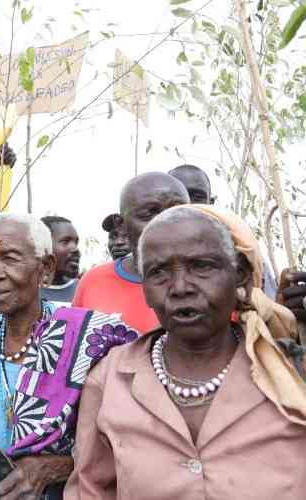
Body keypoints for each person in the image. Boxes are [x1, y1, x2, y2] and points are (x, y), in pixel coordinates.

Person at [65, 205, 306, 499]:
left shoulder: (291, 371)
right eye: (158, 272)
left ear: (240, 275)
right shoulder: (109, 381)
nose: (180, 287)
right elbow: (91, 491)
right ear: (144, 288)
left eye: (202, 266)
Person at [0, 214, 138, 500]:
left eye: (10, 258)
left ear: (45, 268)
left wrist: (55, 467)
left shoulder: (83, 339)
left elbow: (123, 445)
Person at [72, 172, 190, 333]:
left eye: (178, 212)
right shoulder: (93, 281)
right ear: (122, 225)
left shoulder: (214, 281)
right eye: (149, 214)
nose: (166, 223)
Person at [168, 163, 279, 298]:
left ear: (211, 202)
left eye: (197, 197)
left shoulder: (245, 254)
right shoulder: (148, 257)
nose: (188, 204)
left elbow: (271, 311)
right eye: (178, 199)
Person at [39, 216, 80, 306]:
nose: (75, 249)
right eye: (65, 242)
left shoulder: (82, 289)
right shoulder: (25, 292)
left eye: (76, 242)